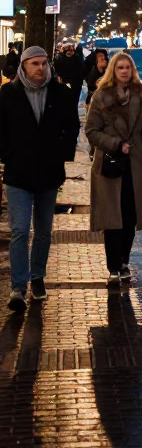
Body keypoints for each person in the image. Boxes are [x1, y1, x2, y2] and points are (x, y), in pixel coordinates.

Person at [0, 46, 80, 309]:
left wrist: (62, 152)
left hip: (48, 172)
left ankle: (38, 277)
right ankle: (18, 287)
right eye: (34, 63)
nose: (40, 68)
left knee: (44, 231)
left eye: (44, 63)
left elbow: (72, 126)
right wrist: (7, 154)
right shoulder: (9, 93)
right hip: (18, 174)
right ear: (23, 66)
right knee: (20, 230)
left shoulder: (61, 93)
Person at [85, 53, 142, 286]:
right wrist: (115, 144)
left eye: (128, 67)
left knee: (130, 214)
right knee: (111, 216)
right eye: (120, 68)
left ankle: (124, 261)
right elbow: (91, 131)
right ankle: (113, 266)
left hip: (134, 163)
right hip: (109, 163)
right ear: (113, 70)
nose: (124, 71)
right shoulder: (101, 96)